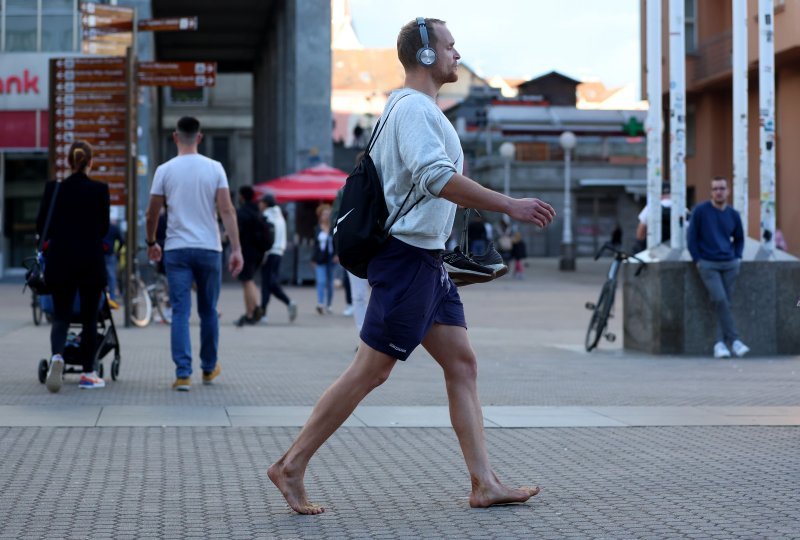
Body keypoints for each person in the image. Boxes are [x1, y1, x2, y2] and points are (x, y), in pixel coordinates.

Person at [268, 17, 555, 514]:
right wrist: (508, 204)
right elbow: (435, 178)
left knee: (462, 363)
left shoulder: (414, 110)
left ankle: (483, 482)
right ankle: (291, 464)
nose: (456, 55)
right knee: (369, 371)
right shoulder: (414, 110)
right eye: (449, 46)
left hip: (425, 259)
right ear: (425, 55)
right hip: (406, 259)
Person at [144, 116, 243, 391]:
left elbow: (152, 212)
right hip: (209, 249)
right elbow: (227, 210)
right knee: (209, 311)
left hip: (176, 250)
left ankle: (183, 373)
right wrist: (236, 249)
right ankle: (209, 369)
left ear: (176, 137)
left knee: (180, 312)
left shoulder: (164, 170)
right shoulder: (215, 168)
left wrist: (151, 241)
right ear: (199, 138)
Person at [38, 140, 110, 391]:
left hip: (60, 261)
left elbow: (41, 227)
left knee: (61, 316)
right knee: (90, 319)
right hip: (90, 261)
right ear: (90, 162)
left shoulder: (53, 189)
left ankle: (57, 356)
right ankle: (88, 373)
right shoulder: (100, 190)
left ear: (69, 162)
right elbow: (103, 228)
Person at [687, 176, 749, 359]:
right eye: (715, 189)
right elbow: (691, 238)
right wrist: (698, 259)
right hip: (708, 264)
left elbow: (739, 238)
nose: (718, 192)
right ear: (711, 192)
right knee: (721, 300)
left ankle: (720, 344)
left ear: (727, 191)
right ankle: (735, 340)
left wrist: (737, 256)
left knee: (724, 304)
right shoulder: (700, 211)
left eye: (722, 188)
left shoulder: (733, 214)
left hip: (730, 264)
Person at [258, 193, 297, 323]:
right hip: (279, 252)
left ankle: (266, 312)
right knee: (270, 282)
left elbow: (266, 238)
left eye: (261, 202)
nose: (259, 204)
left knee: (267, 284)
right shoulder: (280, 215)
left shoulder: (266, 216)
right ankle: (264, 311)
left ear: (266, 204)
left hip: (269, 253)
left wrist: (263, 253)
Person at [234, 185, 266, 327]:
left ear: (241, 196)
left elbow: (237, 232)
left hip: (245, 250)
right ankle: (251, 310)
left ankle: (253, 310)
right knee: (248, 279)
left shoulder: (241, 212)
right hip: (258, 251)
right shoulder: (257, 210)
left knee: (247, 280)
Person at [633, 182, 673, 252]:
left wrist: (640, 246)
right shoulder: (681, 208)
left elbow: (641, 229)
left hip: (654, 248)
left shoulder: (651, 207)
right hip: (673, 249)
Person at [311, 203, 336, 314]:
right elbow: (315, 245)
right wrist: (313, 259)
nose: (326, 216)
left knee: (330, 283)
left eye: (328, 214)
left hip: (331, 258)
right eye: (324, 214)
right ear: (320, 216)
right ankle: (320, 303)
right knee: (321, 281)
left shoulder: (334, 227)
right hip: (320, 259)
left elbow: (337, 243)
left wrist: (337, 255)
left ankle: (329, 304)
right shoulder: (317, 229)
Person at [103, 215, 124, 308]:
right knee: (111, 277)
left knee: (100, 276)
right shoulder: (114, 228)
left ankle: (103, 299)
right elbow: (122, 241)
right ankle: (112, 299)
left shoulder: (101, 227)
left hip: (100, 254)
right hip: (110, 254)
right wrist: (117, 251)